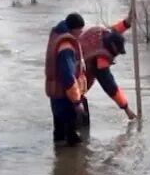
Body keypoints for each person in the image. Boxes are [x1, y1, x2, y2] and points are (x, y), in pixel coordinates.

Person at [78, 13, 138, 125]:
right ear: (113, 48)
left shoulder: (103, 35)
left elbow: (115, 30)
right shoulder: (101, 60)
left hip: (67, 81)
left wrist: (128, 21)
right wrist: (126, 108)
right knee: (80, 128)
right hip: (73, 90)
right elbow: (110, 87)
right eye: (118, 52)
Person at [44, 12, 88, 146]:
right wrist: (76, 102)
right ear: (74, 29)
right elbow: (68, 77)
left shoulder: (56, 36)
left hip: (55, 95)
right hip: (65, 97)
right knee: (73, 142)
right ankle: (70, 166)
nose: (81, 34)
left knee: (59, 136)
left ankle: (59, 163)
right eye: (80, 31)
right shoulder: (66, 47)